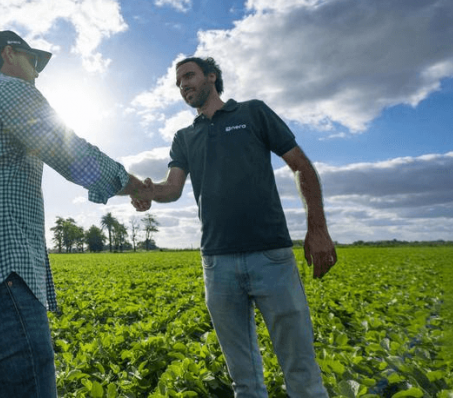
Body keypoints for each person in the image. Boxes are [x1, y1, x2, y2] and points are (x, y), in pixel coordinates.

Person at [0, 30, 152, 397]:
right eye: (34, 61)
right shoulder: (6, 90)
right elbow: (70, 151)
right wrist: (132, 184)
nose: (37, 72)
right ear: (10, 54)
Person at [132, 57, 336, 398]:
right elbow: (173, 187)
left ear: (212, 77)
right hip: (217, 264)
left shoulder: (253, 113)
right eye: (178, 82)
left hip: (271, 257)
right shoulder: (184, 137)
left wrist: (317, 229)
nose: (183, 85)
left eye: (189, 76)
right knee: (245, 382)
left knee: (302, 374)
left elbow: (300, 165)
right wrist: (150, 192)